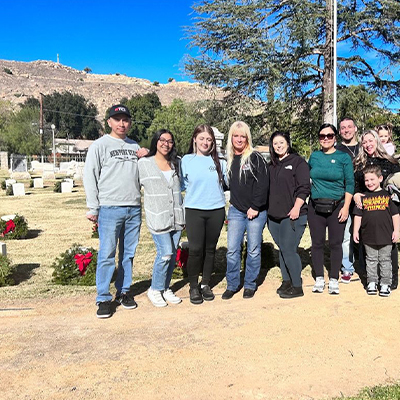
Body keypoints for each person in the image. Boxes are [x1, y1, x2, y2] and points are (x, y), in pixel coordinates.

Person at [83, 104, 148, 318]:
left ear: (130, 123)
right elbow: (90, 176)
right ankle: (103, 297)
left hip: (133, 207)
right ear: (109, 122)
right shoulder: (100, 145)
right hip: (110, 207)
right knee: (107, 254)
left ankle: (124, 291)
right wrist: (93, 207)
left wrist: (146, 156)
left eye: (126, 119)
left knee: (128, 254)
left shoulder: (134, 146)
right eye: (117, 119)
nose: (122, 123)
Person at [138, 129, 185, 307]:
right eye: (162, 140)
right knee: (165, 253)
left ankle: (165, 288)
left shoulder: (177, 163)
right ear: (156, 141)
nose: (166, 144)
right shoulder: (144, 164)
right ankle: (155, 289)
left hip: (177, 218)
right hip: (158, 218)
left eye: (170, 141)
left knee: (172, 256)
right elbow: (135, 186)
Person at [222, 121, 269, 300]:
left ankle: (250, 284)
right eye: (236, 135)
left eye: (243, 136)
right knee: (233, 249)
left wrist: (255, 207)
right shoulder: (230, 158)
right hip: (236, 210)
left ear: (247, 138)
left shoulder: (255, 157)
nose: (239, 139)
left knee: (253, 249)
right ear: (231, 138)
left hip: (255, 212)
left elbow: (263, 184)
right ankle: (232, 284)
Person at [181, 124, 227, 305]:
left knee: (210, 250)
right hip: (194, 210)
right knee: (195, 250)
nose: (205, 142)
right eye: (202, 138)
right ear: (195, 139)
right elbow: (181, 185)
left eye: (209, 139)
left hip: (216, 210)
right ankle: (193, 286)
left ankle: (205, 284)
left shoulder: (220, 162)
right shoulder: (186, 160)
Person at [308, 123, 354, 295]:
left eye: (329, 135)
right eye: (322, 136)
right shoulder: (314, 157)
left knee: (336, 244)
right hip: (315, 207)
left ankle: (334, 278)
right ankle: (319, 277)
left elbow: (349, 183)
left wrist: (346, 207)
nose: (325, 138)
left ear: (335, 137)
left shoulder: (343, 158)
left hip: (337, 207)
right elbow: (305, 179)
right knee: (317, 243)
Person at [353, 129, 400, 290]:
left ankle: (391, 277)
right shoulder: (359, 164)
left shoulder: (390, 162)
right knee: (366, 245)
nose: (367, 144)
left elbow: (396, 184)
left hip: (386, 209)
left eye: (370, 140)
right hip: (366, 210)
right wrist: (355, 195)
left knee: (389, 246)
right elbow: (355, 186)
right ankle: (370, 277)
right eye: (364, 142)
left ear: (377, 141)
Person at [267, 131, 311, 298]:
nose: (278, 146)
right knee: (283, 249)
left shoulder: (298, 162)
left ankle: (297, 286)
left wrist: (296, 207)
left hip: (293, 214)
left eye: (281, 142)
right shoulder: (270, 165)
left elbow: (304, 187)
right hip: (273, 217)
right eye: (275, 143)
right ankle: (286, 281)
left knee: (288, 249)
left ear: (287, 143)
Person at [336, 117, 360, 283]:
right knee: (346, 236)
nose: (346, 130)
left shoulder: (364, 147)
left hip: (363, 197)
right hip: (343, 198)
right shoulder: (336, 149)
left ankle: (366, 266)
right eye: (343, 128)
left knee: (364, 234)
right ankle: (347, 267)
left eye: (349, 127)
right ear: (339, 131)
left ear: (355, 128)